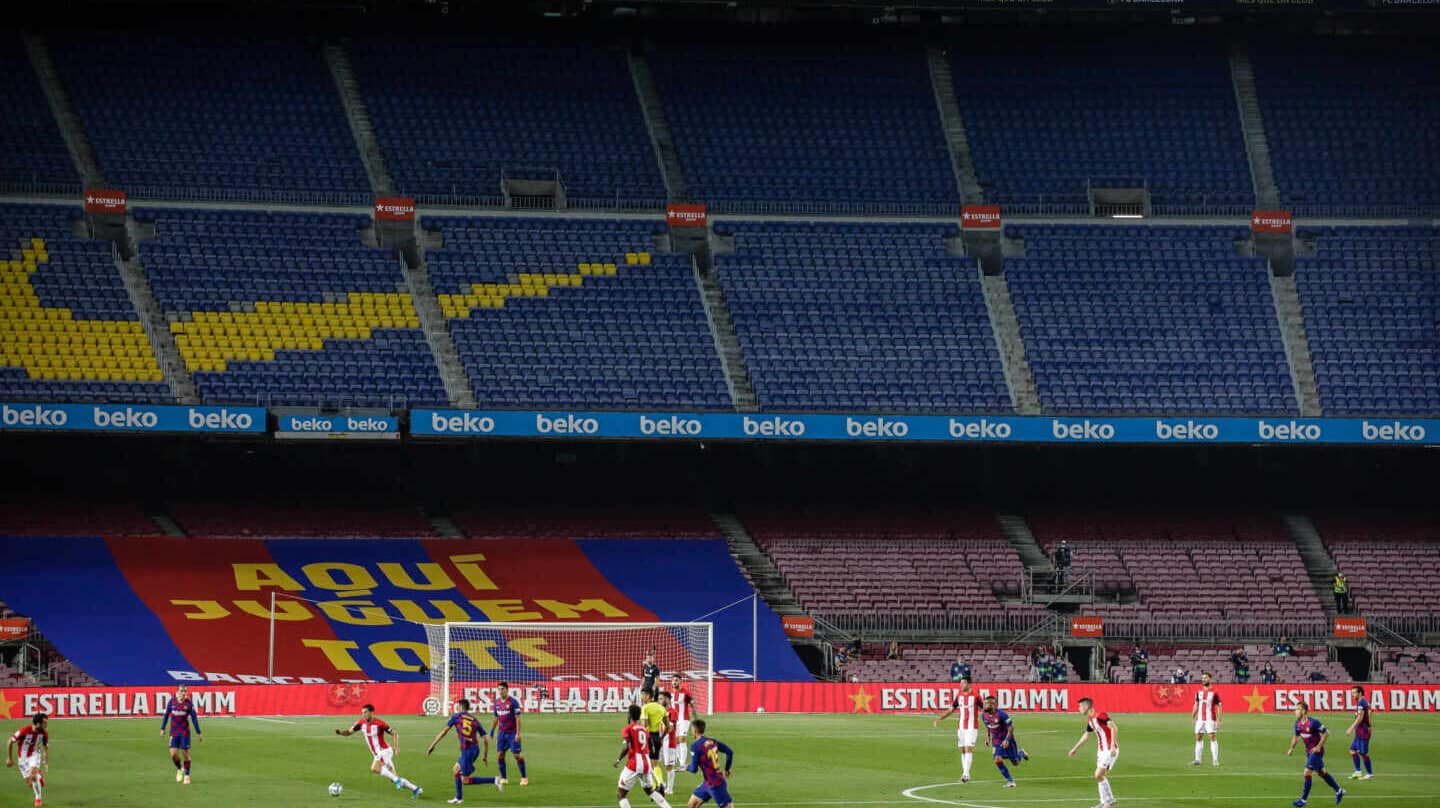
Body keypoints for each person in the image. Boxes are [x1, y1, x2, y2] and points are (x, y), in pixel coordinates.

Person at [335, 704, 423, 799]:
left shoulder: (380, 723)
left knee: (374, 768)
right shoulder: (361, 723)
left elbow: (395, 734)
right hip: (377, 754)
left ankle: (397, 780)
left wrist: (396, 747)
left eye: (365, 712)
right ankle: (416, 789)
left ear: (372, 712)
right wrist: (340, 733)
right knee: (392, 777)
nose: (363, 715)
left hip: (384, 751)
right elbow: (348, 732)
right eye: (362, 713)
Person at [426, 698, 495, 804]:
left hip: (468, 751)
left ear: (461, 707)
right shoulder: (474, 720)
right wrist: (485, 756)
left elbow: (444, 732)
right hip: (474, 750)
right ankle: (458, 798)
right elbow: (485, 739)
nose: (456, 707)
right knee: (456, 769)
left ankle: (494, 780)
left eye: (457, 705)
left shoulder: (456, 717)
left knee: (465, 780)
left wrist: (432, 745)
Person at [1287, 700, 1345, 806]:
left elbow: (1326, 733)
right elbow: (1296, 737)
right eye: (1295, 709)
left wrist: (1318, 747)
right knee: (1322, 773)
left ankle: (1303, 800)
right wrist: (1291, 748)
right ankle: (1339, 790)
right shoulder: (1297, 724)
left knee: (1307, 772)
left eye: (1297, 709)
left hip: (1316, 752)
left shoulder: (1313, 722)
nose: (1295, 711)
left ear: (1304, 711)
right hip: (1309, 752)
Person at [615, 705, 672, 808]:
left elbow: (626, 746)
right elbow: (651, 746)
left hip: (634, 764)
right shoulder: (644, 729)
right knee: (650, 791)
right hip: (646, 764)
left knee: (621, 794)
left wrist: (618, 759)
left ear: (629, 715)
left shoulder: (628, 728)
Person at [1068, 697, 1119, 808]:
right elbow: (1086, 736)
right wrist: (1075, 749)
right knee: (1099, 776)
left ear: (1087, 706)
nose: (1079, 709)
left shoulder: (1100, 715)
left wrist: (1112, 747)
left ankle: (1108, 800)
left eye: (1080, 706)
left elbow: (1114, 728)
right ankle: (1106, 801)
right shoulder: (1091, 721)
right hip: (1101, 751)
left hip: (1109, 750)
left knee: (1098, 774)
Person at [932, 677, 984, 783]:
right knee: (962, 750)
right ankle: (966, 774)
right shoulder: (959, 696)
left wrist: (990, 722)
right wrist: (940, 718)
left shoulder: (976, 696)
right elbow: (952, 709)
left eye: (963, 683)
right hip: (961, 727)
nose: (961, 685)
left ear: (969, 684)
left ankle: (965, 775)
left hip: (972, 726)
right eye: (960, 683)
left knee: (968, 748)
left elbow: (985, 709)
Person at [980, 695, 1026, 788]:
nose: (983, 706)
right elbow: (987, 726)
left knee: (1015, 762)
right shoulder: (983, 715)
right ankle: (1010, 781)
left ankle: (1021, 753)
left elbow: (1011, 727)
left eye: (986, 704)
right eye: (984, 704)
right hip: (996, 741)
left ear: (992, 705)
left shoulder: (1001, 714)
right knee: (997, 759)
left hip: (1007, 739)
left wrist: (1007, 740)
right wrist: (987, 737)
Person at [686, 719, 734, 808]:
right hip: (708, 783)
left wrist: (686, 767)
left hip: (716, 784)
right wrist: (727, 769)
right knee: (692, 804)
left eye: (691, 729)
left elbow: (693, 769)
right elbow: (730, 752)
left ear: (694, 731)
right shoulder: (712, 741)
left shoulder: (695, 746)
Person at [161, 684, 203, 784]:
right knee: (173, 754)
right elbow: (166, 715)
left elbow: (194, 719)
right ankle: (180, 768)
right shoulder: (172, 702)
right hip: (174, 732)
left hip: (184, 732)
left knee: (185, 754)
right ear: (177, 691)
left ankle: (187, 775)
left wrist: (198, 732)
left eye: (185, 691)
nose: (183, 693)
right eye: (181, 691)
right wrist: (162, 728)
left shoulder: (189, 704)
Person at [5, 712, 47, 808]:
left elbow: (45, 747)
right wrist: (9, 758)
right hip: (22, 759)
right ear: (37, 724)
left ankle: (38, 799)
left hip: (34, 755)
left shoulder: (44, 733)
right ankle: (39, 776)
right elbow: (10, 741)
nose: (46, 725)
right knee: (30, 783)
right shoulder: (24, 730)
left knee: (33, 776)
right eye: (44, 723)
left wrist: (45, 761)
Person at [490, 681, 528, 786]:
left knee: (517, 755)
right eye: (499, 689)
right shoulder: (496, 702)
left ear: (507, 690)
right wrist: (492, 731)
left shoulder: (513, 702)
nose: (501, 691)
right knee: (500, 755)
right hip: (501, 733)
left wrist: (518, 733)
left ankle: (524, 777)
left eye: (503, 689)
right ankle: (504, 778)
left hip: (512, 733)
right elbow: (496, 717)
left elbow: (518, 718)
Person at [1190, 672, 1222, 767]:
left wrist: (1219, 721)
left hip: (1210, 719)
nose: (1203, 679)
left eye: (1206, 678)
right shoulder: (1198, 692)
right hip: (1200, 719)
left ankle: (1215, 760)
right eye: (1203, 678)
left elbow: (1219, 707)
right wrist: (1193, 717)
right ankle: (1197, 760)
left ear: (1210, 679)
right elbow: (1196, 705)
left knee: (1212, 737)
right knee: (1198, 737)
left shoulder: (1215, 692)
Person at [640, 688, 671, 786]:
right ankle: (657, 784)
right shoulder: (661, 708)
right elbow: (668, 727)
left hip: (649, 737)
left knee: (650, 763)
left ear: (648, 696)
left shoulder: (645, 708)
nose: (642, 697)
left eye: (643, 695)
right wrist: (662, 737)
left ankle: (658, 783)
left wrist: (642, 737)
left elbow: (644, 726)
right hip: (657, 737)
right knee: (655, 763)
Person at [1345, 685, 1374, 780]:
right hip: (1360, 731)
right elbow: (1369, 715)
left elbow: (1360, 718)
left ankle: (1370, 773)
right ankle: (1358, 771)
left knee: (1363, 753)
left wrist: (1350, 728)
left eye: (1354, 693)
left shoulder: (1362, 702)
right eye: (1352, 693)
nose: (1352, 695)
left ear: (1360, 693)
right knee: (1352, 750)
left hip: (1363, 731)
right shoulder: (1362, 702)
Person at [669, 674, 695, 768]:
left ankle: (682, 764)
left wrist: (692, 704)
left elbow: (692, 704)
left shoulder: (686, 692)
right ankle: (679, 760)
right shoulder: (670, 693)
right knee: (676, 741)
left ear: (680, 681)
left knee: (682, 739)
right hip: (674, 720)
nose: (674, 682)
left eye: (676, 680)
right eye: (673, 680)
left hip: (684, 719)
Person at [659, 691, 681, 795]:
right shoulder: (662, 712)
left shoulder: (673, 712)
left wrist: (660, 737)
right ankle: (663, 784)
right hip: (663, 742)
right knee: (661, 764)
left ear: (667, 699)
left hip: (670, 742)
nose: (659, 701)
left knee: (669, 766)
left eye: (661, 699)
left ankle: (670, 789)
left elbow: (670, 728)